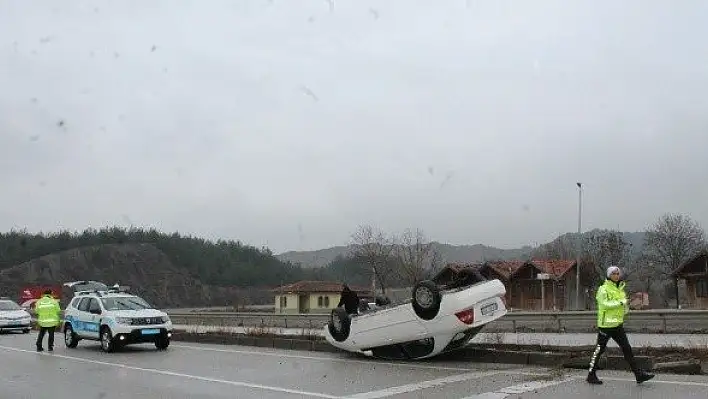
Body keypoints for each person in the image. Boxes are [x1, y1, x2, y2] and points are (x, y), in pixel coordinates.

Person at [587, 266, 655, 385]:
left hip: (617, 325)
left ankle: (639, 375)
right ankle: (591, 375)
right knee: (599, 350)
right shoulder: (603, 289)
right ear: (609, 275)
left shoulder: (620, 290)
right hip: (605, 325)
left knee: (627, 349)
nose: (616, 275)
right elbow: (605, 304)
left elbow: (622, 307)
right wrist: (621, 302)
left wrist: (630, 305)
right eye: (613, 273)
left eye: (618, 273)